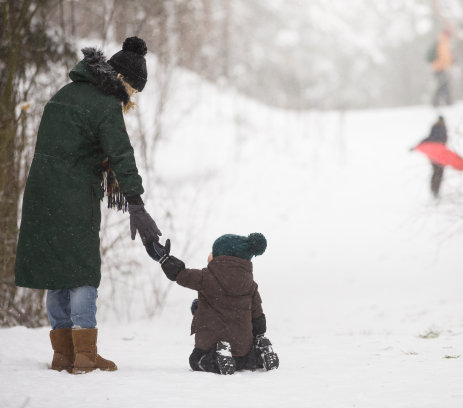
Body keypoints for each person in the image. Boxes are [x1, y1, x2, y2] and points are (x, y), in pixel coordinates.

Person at [14, 37, 161, 374]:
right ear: (123, 81)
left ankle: (62, 353)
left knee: (57, 269)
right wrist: (136, 203)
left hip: (40, 194)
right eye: (133, 92)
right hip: (75, 194)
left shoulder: (63, 95)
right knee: (82, 270)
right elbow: (122, 155)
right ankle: (85, 354)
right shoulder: (105, 104)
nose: (131, 99)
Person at [148, 233, 279, 375]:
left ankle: (218, 357)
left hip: (212, 343)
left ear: (220, 256)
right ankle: (260, 353)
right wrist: (259, 335)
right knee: (246, 360)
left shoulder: (206, 277)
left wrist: (164, 259)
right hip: (243, 348)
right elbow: (257, 316)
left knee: (196, 360)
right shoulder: (250, 285)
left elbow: (180, 274)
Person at [412, 116, 448, 198]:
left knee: (437, 171)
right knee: (438, 172)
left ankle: (434, 190)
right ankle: (435, 191)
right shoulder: (440, 127)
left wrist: (417, 145)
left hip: (436, 153)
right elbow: (434, 138)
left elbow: (429, 138)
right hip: (437, 153)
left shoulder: (437, 127)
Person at [431, 29, 453, 107]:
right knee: (442, 85)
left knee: (440, 85)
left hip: (437, 68)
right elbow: (444, 56)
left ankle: (438, 102)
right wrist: (447, 65)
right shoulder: (443, 43)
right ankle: (446, 102)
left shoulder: (440, 41)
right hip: (441, 68)